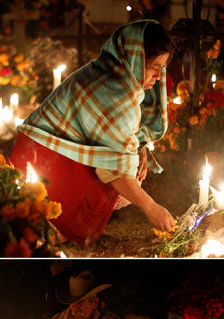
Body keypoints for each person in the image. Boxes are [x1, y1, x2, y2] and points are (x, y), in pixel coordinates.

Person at [10, 21, 176, 249]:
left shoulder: (108, 69)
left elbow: (117, 140)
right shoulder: (116, 92)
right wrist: (151, 208)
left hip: (37, 156)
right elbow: (113, 171)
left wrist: (140, 148)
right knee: (125, 178)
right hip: (41, 166)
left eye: (162, 67)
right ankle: (53, 225)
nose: (158, 76)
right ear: (134, 59)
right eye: (153, 66)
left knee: (130, 167)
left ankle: (53, 223)